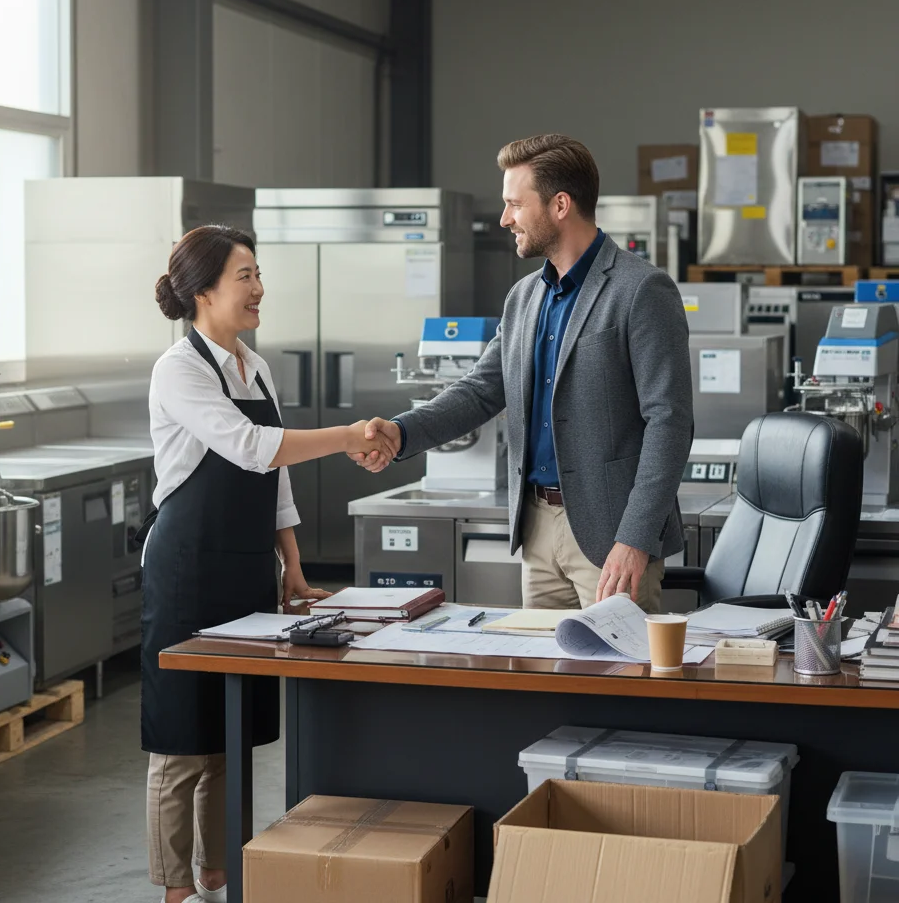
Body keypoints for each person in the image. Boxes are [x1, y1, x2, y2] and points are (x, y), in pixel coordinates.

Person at [140, 224, 396, 903]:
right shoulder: (180, 368)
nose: (258, 289)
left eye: (258, 274)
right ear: (203, 291)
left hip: (245, 565)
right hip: (187, 566)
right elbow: (252, 447)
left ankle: (220, 873)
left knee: (230, 732)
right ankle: (174, 889)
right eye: (244, 276)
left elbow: (273, 483)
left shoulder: (256, 365)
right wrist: (347, 436)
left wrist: (294, 568)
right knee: (181, 737)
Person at [352, 134, 692, 613]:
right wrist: (401, 432)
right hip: (536, 527)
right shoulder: (524, 296)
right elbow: (480, 390)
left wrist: (636, 537)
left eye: (514, 204)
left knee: (619, 684)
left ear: (559, 205)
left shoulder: (641, 290)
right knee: (545, 681)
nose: (504, 218)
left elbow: (670, 422)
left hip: (611, 538)